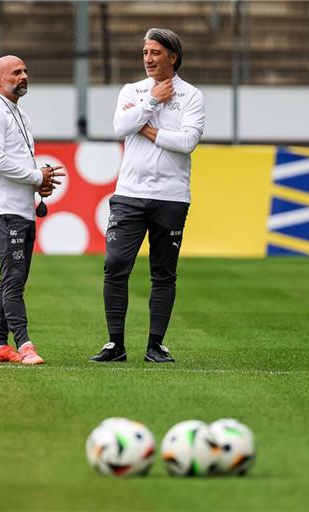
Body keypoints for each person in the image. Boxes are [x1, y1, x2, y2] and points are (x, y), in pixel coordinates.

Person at [89, 28, 205, 364]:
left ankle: (155, 345)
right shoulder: (134, 90)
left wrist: (148, 127)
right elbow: (120, 127)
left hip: (171, 196)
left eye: (155, 52)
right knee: (115, 265)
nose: (148, 59)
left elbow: (187, 143)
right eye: (145, 53)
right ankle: (115, 344)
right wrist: (152, 101)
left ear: (173, 56)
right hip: (129, 193)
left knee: (163, 272)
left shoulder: (192, 96)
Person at [0, 55, 64, 365]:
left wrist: (37, 183)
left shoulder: (20, 115)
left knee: (12, 279)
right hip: (2, 208)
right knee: (13, 277)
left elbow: (16, 161)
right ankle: (24, 344)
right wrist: (36, 176)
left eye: (25, 70)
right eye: (16, 72)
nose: (24, 76)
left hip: (21, 207)